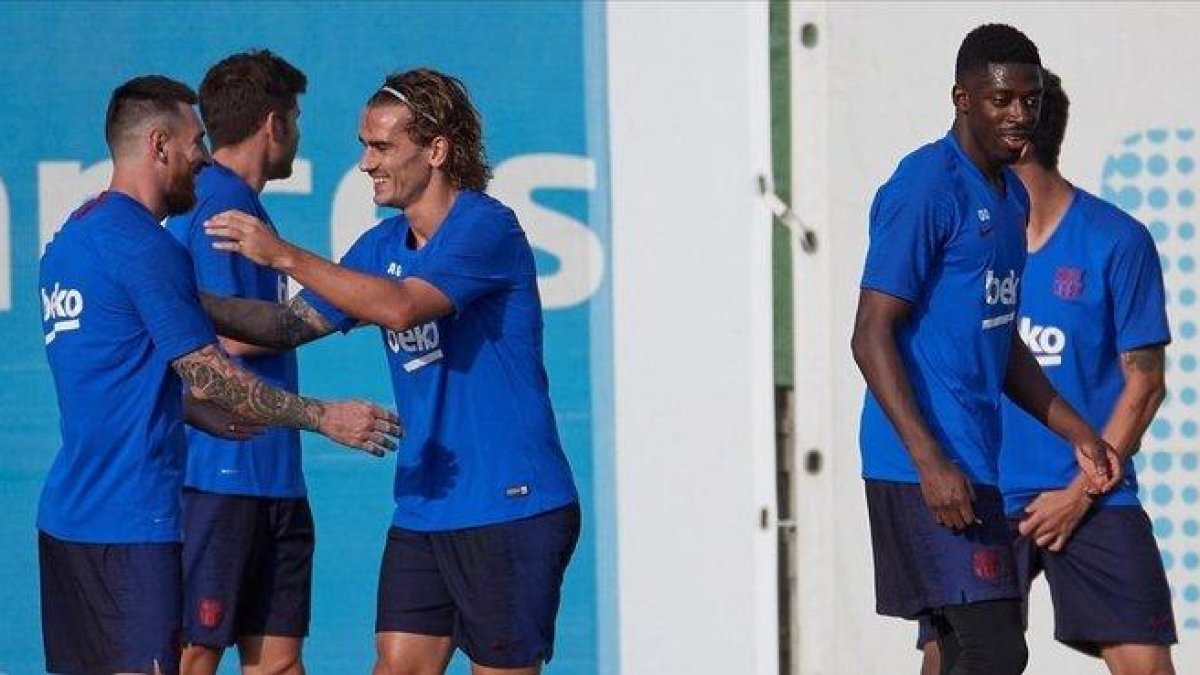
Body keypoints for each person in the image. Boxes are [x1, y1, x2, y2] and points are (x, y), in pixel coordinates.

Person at [199, 68, 580, 675]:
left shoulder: (486, 226)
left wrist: (286, 254)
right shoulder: (380, 247)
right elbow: (282, 328)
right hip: (426, 507)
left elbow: (402, 305)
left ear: (436, 150)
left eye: (381, 147)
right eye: (363, 145)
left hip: (512, 503)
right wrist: (171, 297)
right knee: (394, 664)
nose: (364, 163)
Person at [36, 75, 400, 675]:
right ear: (159, 145)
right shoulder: (142, 246)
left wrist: (185, 408)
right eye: (195, 140)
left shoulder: (70, 240)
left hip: (68, 521)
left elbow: (110, 370)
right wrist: (321, 416)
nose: (204, 157)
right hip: (132, 525)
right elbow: (211, 375)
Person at [850, 24, 1121, 675]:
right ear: (962, 98)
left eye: (1030, 100)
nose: (1019, 114)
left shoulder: (1010, 197)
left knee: (952, 647)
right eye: (1001, 99)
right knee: (995, 648)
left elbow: (1000, 341)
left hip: (973, 461)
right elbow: (870, 333)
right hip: (919, 464)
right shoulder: (926, 187)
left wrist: (1077, 428)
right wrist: (929, 459)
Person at [918, 70, 1177, 675]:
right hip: (982, 492)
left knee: (1145, 663)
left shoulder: (1118, 240)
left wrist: (1080, 493)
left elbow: (1146, 384)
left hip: (1089, 492)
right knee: (950, 659)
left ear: (1022, 137)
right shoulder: (965, 238)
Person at [163, 51, 316, 675]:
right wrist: (352, 296)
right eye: (297, 120)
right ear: (273, 124)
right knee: (195, 653)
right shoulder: (218, 208)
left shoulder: (242, 206)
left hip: (274, 473)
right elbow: (216, 340)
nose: (299, 135)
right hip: (221, 473)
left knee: (278, 662)